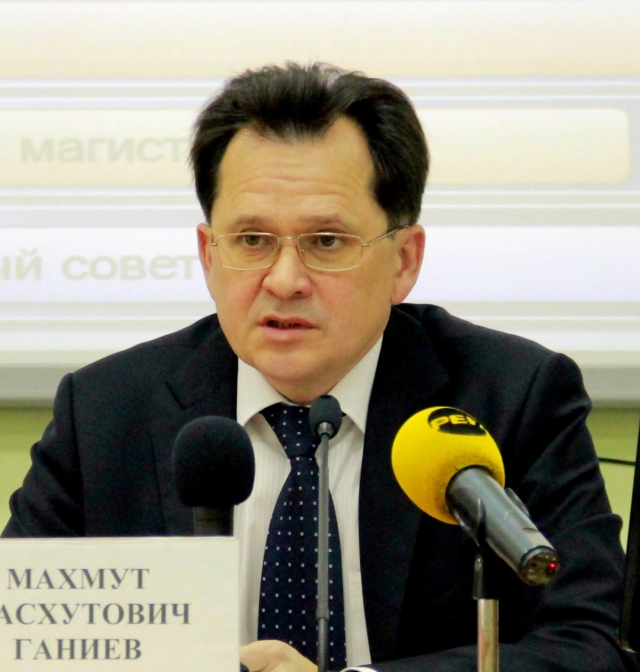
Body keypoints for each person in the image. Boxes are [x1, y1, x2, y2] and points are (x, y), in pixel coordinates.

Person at [2, 62, 635, 672]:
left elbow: (590, 642)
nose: (284, 280)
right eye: (252, 241)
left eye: (326, 242)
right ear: (208, 254)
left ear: (404, 260)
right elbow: (19, 641)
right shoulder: (105, 413)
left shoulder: (511, 400)